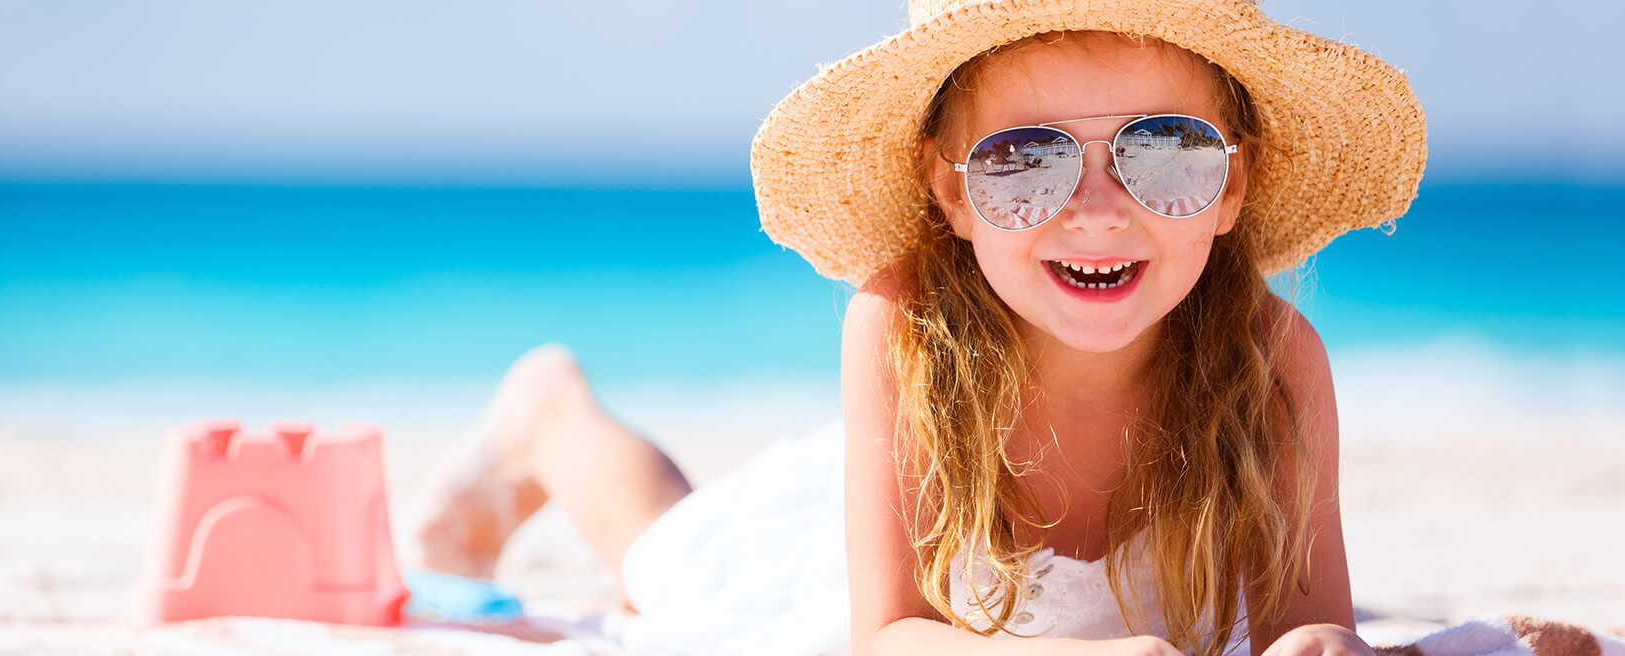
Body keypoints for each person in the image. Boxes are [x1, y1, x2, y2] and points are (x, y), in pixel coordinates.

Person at [411, 1, 1426, 655]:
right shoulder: (901, 325)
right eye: (1024, 160)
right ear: (949, 190)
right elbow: (888, 631)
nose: (1097, 208)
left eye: (1162, 151)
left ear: (1231, 183)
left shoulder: (1274, 360)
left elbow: (1308, 618)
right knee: (673, 562)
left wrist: (1320, 643)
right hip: (867, 546)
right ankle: (550, 414)